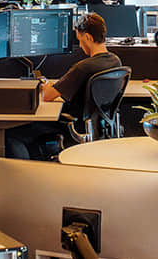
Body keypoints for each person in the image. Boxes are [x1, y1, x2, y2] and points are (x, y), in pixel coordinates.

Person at [6, 13, 121, 158]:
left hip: (71, 123)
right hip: (96, 123)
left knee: (12, 134)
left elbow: (48, 96)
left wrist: (46, 86)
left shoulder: (83, 67)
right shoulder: (115, 61)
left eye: (80, 40)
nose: (80, 45)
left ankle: (23, 170)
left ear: (88, 37)